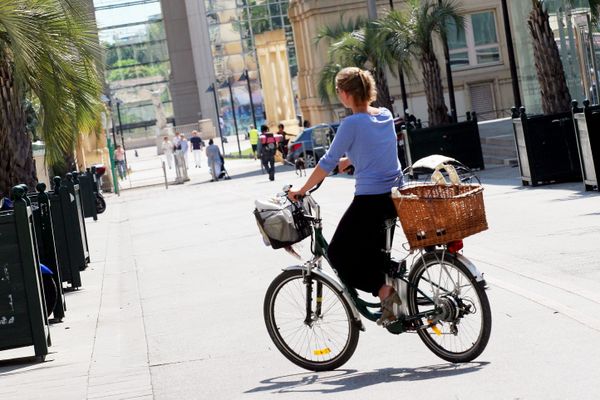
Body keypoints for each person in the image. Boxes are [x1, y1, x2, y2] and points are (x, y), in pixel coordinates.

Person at [288, 67, 403, 325]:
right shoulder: (384, 115)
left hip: (371, 200)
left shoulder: (350, 123)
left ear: (347, 94)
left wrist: (301, 190)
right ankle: (393, 303)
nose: (339, 94)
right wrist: (350, 159)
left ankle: (386, 293)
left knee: (339, 255)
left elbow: (325, 163)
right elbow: (378, 147)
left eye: (339, 91)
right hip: (395, 197)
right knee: (374, 255)